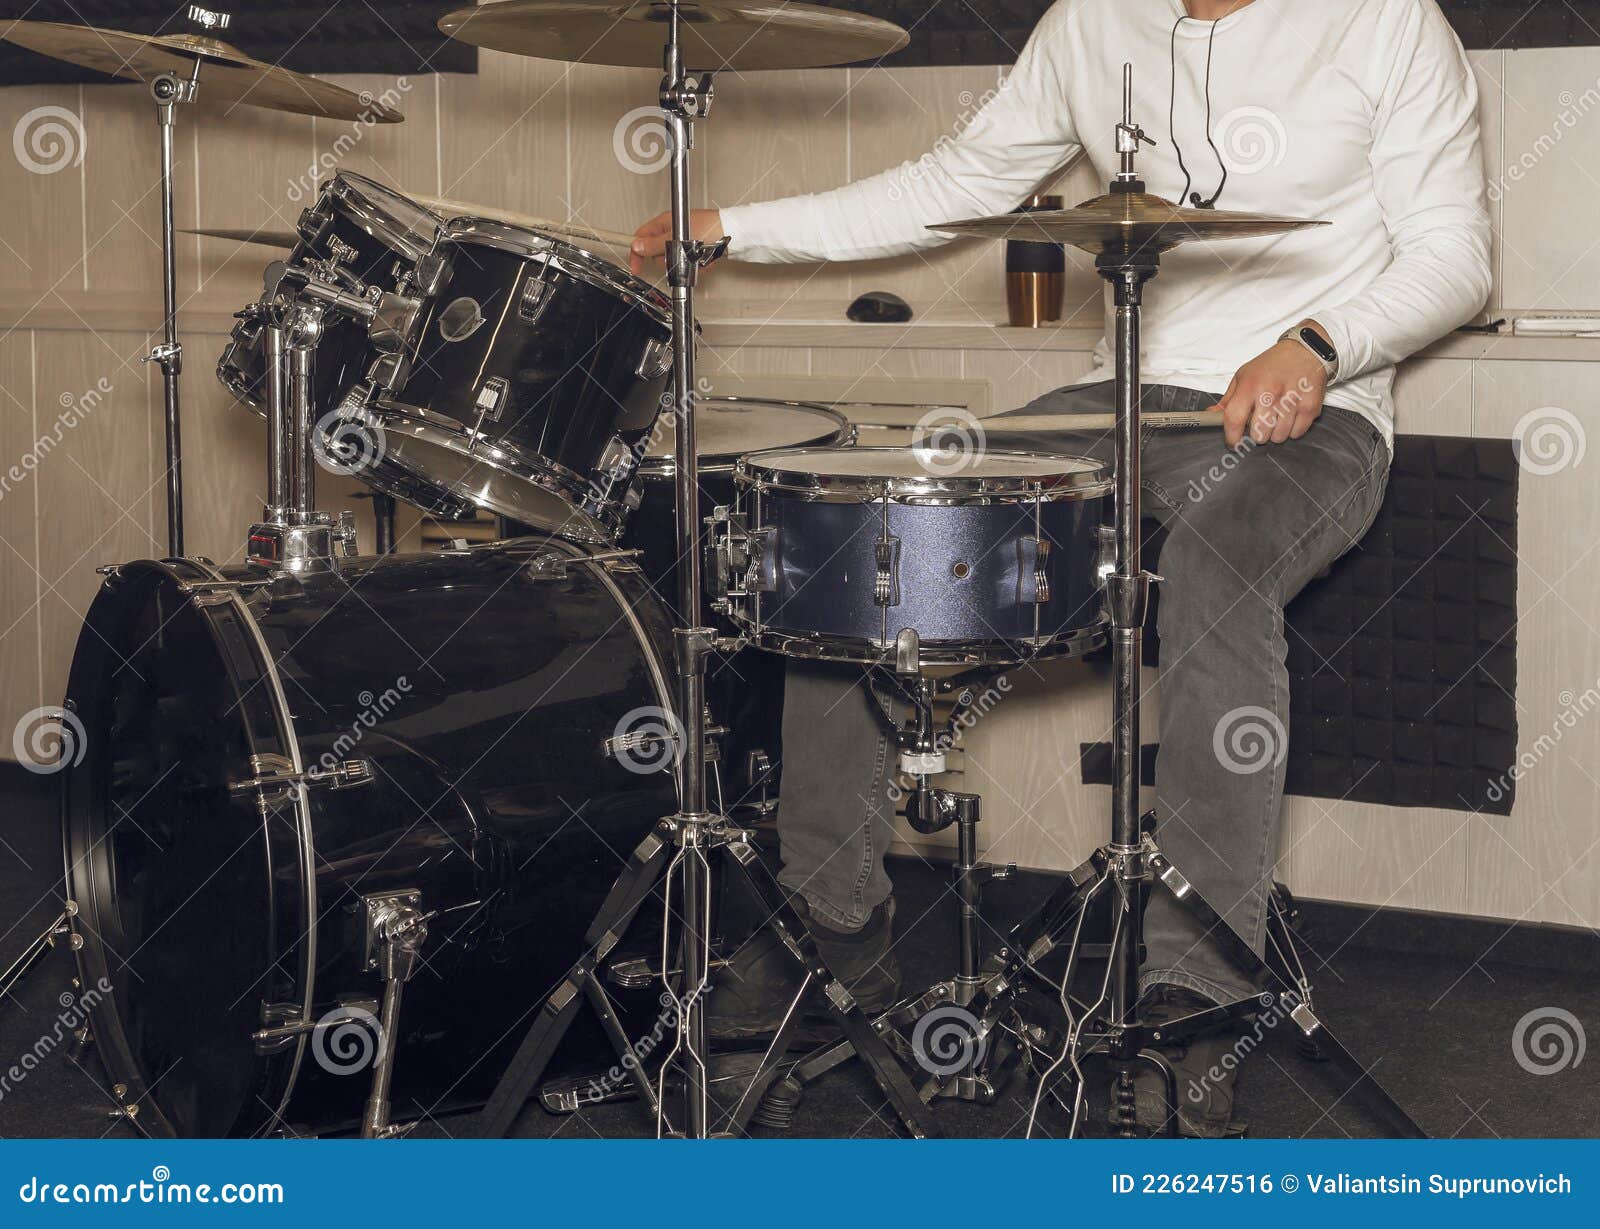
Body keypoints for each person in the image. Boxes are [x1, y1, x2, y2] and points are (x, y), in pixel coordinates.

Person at [631, 0, 1490, 1135]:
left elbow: (1456, 256)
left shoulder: (1386, 20)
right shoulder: (1089, 19)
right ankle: (831, 934)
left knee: (1216, 566)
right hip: (1116, 401)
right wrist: (735, 224)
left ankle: (1196, 988)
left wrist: (1319, 343)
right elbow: (956, 179)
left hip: (1318, 413)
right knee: (875, 526)